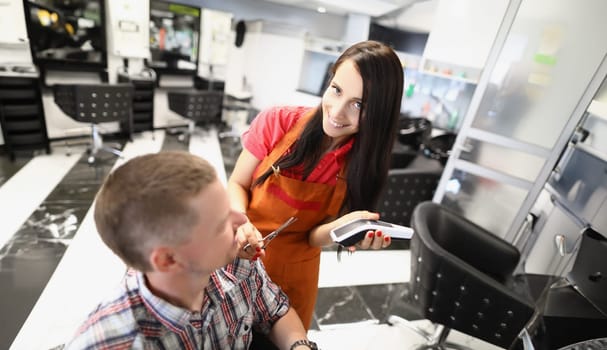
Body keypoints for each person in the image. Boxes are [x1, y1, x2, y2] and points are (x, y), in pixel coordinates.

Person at [228, 40, 405, 329]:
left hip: (294, 275)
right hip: (239, 250)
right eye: (336, 90)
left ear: (380, 113)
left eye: (358, 104)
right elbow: (237, 182)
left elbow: (313, 238)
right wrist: (241, 222)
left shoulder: (363, 166)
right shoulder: (279, 121)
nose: (336, 112)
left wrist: (347, 230)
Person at [65, 151, 318, 350]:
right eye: (220, 223)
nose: (242, 222)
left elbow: (275, 312)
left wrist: (299, 345)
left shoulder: (236, 261)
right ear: (168, 260)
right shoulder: (111, 342)